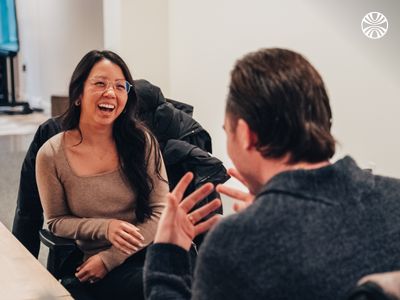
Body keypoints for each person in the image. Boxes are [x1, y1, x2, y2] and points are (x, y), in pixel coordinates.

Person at [143, 48, 400, 300]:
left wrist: (167, 258)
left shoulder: (235, 241)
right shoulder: (395, 196)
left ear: (246, 135)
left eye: (227, 131)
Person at [35, 50, 169, 300]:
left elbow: (161, 211)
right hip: (97, 263)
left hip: (150, 249)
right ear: (78, 95)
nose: (111, 93)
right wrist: (105, 228)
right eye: (100, 83)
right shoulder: (51, 155)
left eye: (120, 86)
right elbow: (56, 221)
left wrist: (111, 258)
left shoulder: (142, 142)